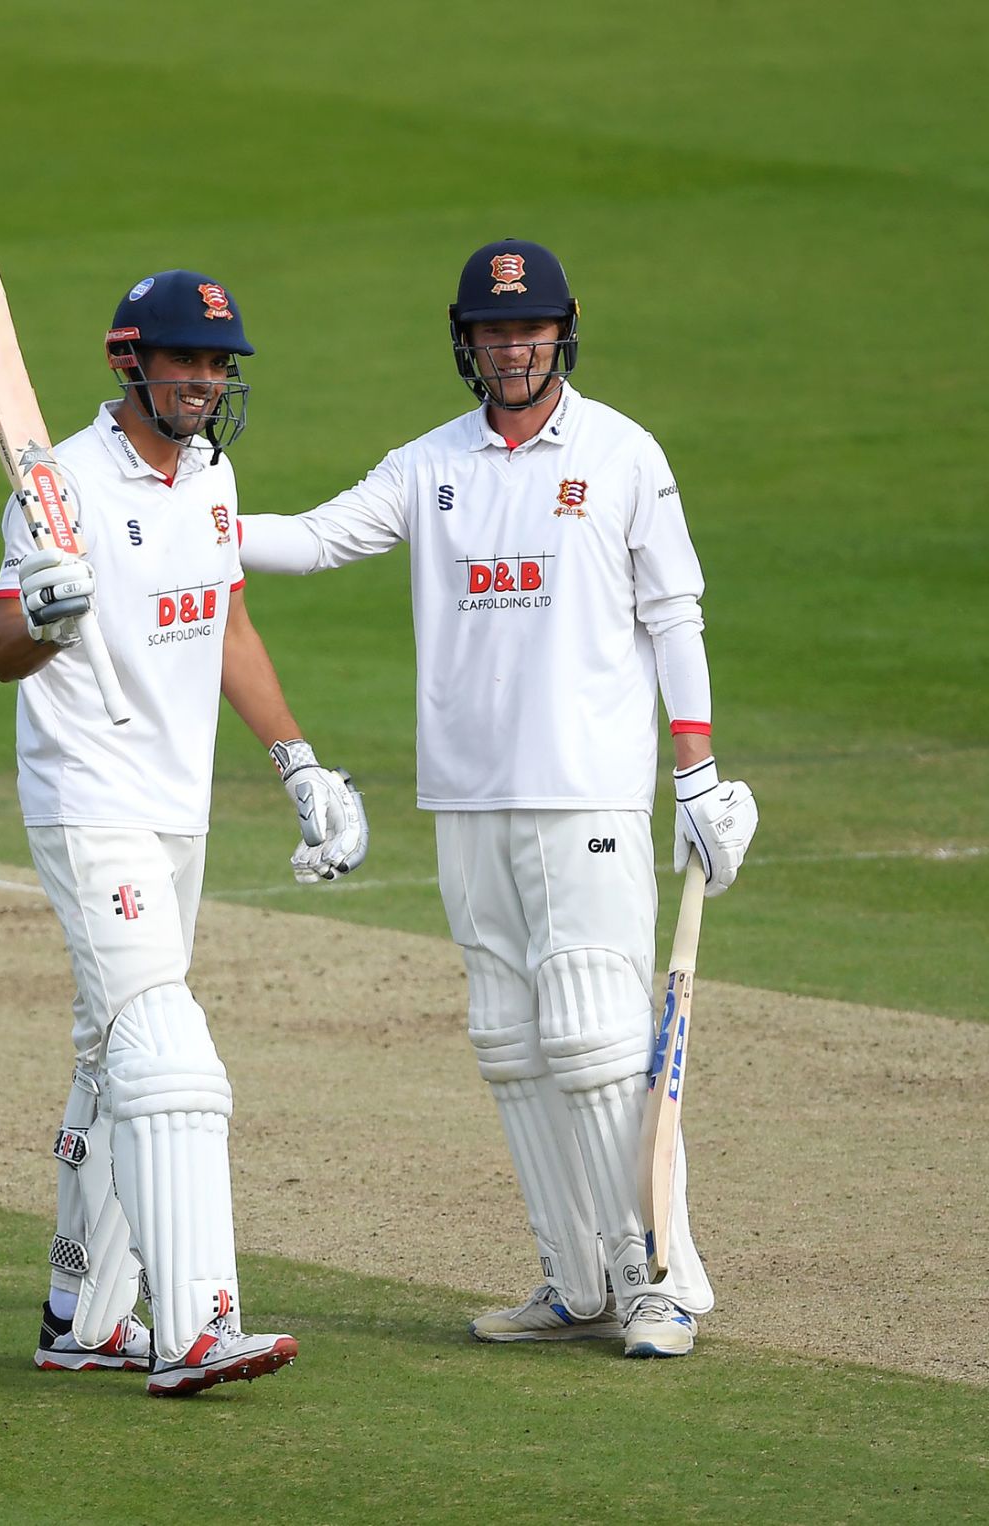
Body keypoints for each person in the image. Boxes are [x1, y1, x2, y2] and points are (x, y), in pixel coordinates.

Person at [238, 238, 757, 1358]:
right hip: (467, 797)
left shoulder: (621, 454)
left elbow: (675, 613)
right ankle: (575, 1277)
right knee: (510, 1039)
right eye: (490, 331)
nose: (509, 347)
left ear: (558, 332)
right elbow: (320, 537)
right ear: (464, 342)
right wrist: (199, 531)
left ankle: (664, 1279)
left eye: (525, 329)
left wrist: (698, 772)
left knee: (597, 1036)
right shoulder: (431, 466)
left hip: (586, 795)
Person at [0, 267, 367, 1396]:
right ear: (128, 361)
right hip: (88, 796)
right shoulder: (56, 484)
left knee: (112, 1051)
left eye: (218, 363)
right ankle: (198, 1321)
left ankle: (81, 1311)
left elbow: (225, 612)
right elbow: (1, 643)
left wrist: (296, 760)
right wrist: (43, 619)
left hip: (173, 805)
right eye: (185, 360)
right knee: (165, 1047)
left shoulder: (211, 474)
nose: (205, 380)